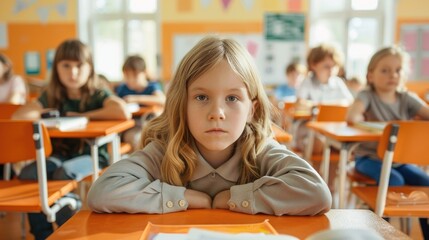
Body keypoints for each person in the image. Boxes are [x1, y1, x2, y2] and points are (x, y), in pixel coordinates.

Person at [87, 36, 331, 216]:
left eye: (232, 98)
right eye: (201, 97)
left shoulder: (260, 149)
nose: (217, 114)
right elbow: (102, 192)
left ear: (251, 110)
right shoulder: (165, 151)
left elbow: (316, 193)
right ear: (182, 104)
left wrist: (234, 198)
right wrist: (184, 197)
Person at [12, 39, 130, 240]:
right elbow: (19, 117)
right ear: (56, 68)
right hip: (60, 154)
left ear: (90, 68)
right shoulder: (52, 94)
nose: (73, 72)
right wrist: (42, 112)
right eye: (66, 66)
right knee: (29, 172)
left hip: (91, 156)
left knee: (63, 173)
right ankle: (43, 235)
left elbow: (122, 111)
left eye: (79, 66)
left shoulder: (97, 92)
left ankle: (70, 232)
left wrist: (84, 116)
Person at [346, 46, 429, 239]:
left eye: (398, 70)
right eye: (385, 70)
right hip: (369, 158)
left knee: (426, 184)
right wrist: (362, 117)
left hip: (399, 161)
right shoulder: (367, 95)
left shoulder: (406, 97)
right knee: (394, 181)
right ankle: (379, 234)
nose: (393, 74)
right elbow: (352, 116)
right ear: (371, 75)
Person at [294, 44, 354, 155]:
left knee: (349, 146)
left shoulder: (338, 82)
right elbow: (299, 103)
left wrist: (331, 107)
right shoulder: (308, 81)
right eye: (326, 66)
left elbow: (350, 103)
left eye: (334, 66)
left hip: (334, 130)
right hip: (310, 131)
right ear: (314, 65)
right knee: (318, 144)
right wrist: (323, 107)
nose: (331, 70)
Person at [116, 55, 166, 150]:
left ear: (144, 73)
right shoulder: (123, 89)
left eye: (135, 75)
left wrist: (135, 98)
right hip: (130, 126)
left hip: (150, 124)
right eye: (127, 76)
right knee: (135, 138)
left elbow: (162, 100)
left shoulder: (152, 87)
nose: (131, 80)